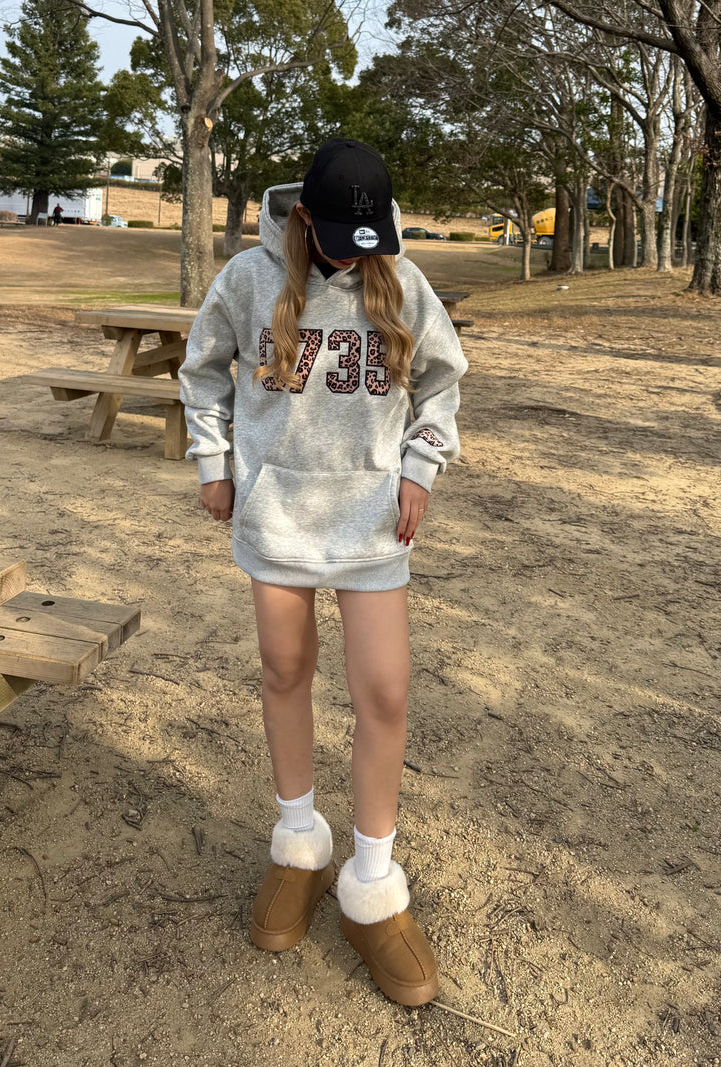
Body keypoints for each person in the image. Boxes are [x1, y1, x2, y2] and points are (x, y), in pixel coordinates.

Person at [179, 138, 467, 1006]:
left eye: (366, 240)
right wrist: (212, 463)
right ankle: (298, 843)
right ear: (303, 216)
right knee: (284, 669)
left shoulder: (400, 279)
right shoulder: (248, 279)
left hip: (372, 520)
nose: (351, 255)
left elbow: (441, 384)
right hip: (279, 514)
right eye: (337, 238)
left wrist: (420, 467)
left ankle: (371, 884)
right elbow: (203, 371)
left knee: (384, 691)